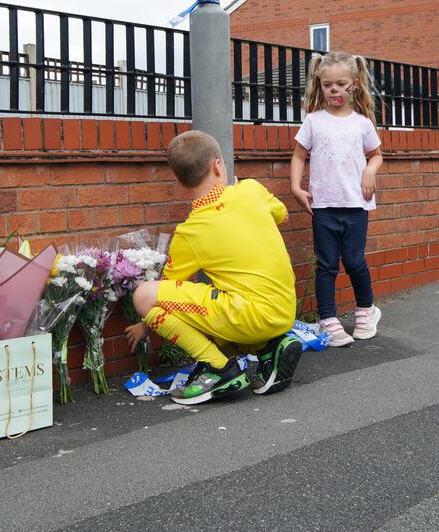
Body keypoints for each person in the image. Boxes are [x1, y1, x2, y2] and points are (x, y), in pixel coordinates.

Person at [125, 130, 302, 405]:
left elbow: (164, 294)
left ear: (181, 182)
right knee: (220, 295)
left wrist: (144, 325)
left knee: (143, 295)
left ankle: (220, 368)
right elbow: (282, 216)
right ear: (218, 165)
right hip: (285, 310)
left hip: (250, 317)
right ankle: (269, 347)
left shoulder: (190, 232)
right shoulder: (252, 190)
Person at [290, 51, 383, 347]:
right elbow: (299, 155)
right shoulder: (314, 121)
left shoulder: (362, 123)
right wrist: (295, 186)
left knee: (355, 261)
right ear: (321, 85)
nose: (334, 90)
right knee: (327, 265)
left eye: (340, 84)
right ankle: (327, 320)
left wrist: (370, 170)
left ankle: (366, 311)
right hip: (324, 206)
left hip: (356, 205)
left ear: (353, 85)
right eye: (328, 84)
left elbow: (377, 155)